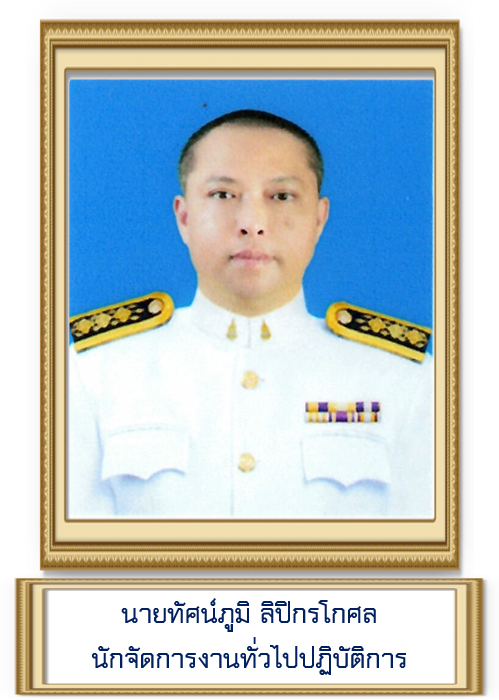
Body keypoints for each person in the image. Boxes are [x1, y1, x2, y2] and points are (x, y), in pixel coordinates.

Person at [69, 109, 434, 519]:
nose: (252, 223)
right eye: (223, 195)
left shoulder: (406, 380)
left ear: (319, 219)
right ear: (184, 217)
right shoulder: (91, 374)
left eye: (281, 196)